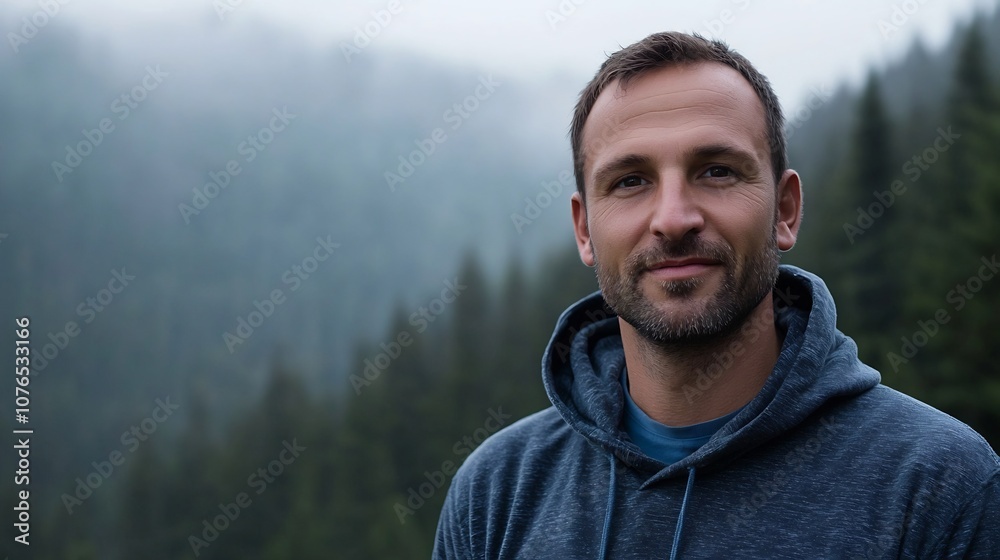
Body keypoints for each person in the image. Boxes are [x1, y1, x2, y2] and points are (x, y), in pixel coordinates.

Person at [432, 31, 1000, 559]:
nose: (674, 219)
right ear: (584, 230)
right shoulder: (495, 494)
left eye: (717, 171)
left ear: (785, 210)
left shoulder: (942, 485)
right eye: (630, 181)